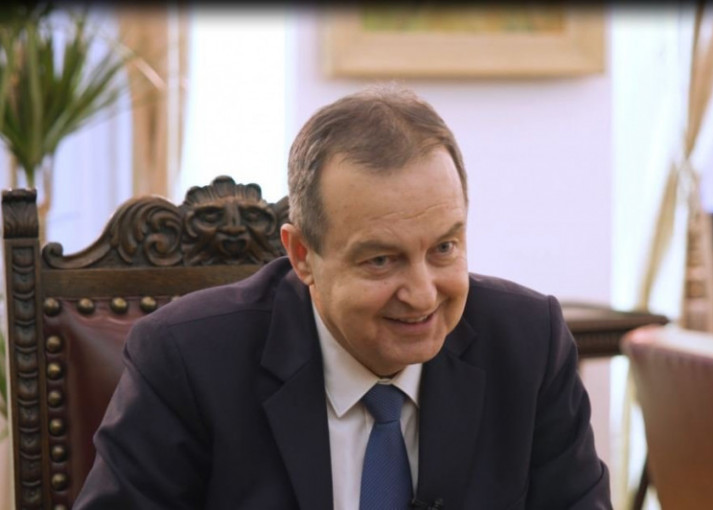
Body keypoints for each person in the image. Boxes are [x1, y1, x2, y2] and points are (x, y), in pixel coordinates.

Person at [74, 85, 611, 509]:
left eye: (444, 248)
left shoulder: (529, 345)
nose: (422, 294)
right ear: (302, 255)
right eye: (381, 260)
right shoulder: (187, 360)